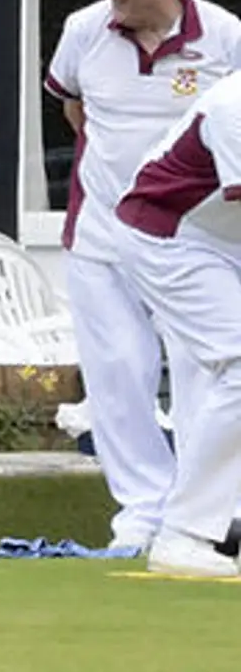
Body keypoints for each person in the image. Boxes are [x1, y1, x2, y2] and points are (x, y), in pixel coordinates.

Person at [45, 0, 241, 555]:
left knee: (205, 370)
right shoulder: (83, 30)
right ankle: (142, 513)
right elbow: (72, 105)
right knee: (119, 374)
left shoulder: (224, 35)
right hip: (102, 229)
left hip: (197, 238)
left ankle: (202, 513)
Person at [114, 72, 241, 577]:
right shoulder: (234, 107)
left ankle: (224, 521)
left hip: (223, 241)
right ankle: (185, 533)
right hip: (167, 239)